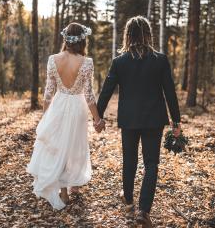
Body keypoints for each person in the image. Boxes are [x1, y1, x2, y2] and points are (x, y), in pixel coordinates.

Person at [96, 16, 182, 227]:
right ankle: (143, 211)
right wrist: (176, 122)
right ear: (148, 34)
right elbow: (170, 92)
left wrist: (98, 116)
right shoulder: (160, 60)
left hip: (129, 119)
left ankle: (128, 199)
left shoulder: (119, 62)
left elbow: (107, 90)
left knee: (130, 160)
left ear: (128, 35)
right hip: (154, 119)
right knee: (152, 163)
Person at [26, 22, 105, 210]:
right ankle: (74, 183)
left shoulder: (53, 59)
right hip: (77, 107)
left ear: (65, 39)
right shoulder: (86, 63)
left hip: (58, 105)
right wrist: (97, 119)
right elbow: (89, 95)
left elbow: (48, 92)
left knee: (59, 145)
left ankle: (64, 191)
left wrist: (46, 117)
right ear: (82, 40)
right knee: (75, 144)